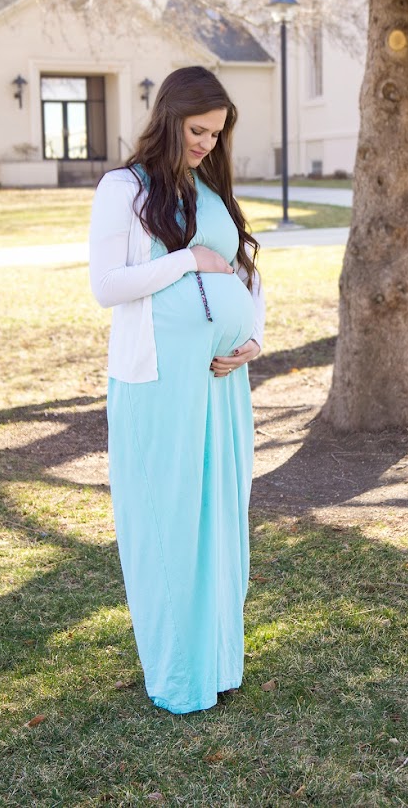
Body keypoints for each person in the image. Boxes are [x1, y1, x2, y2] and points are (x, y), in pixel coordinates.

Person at [89, 65, 265, 714]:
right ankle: (179, 678)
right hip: (158, 381)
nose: (207, 144)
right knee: (170, 525)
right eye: (197, 131)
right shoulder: (123, 189)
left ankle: (218, 663)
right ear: (168, 119)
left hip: (221, 382)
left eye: (216, 134)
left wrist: (253, 339)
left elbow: (247, 272)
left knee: (221, 521)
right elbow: (108, 285)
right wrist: (188, 259)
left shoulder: (210, 189)